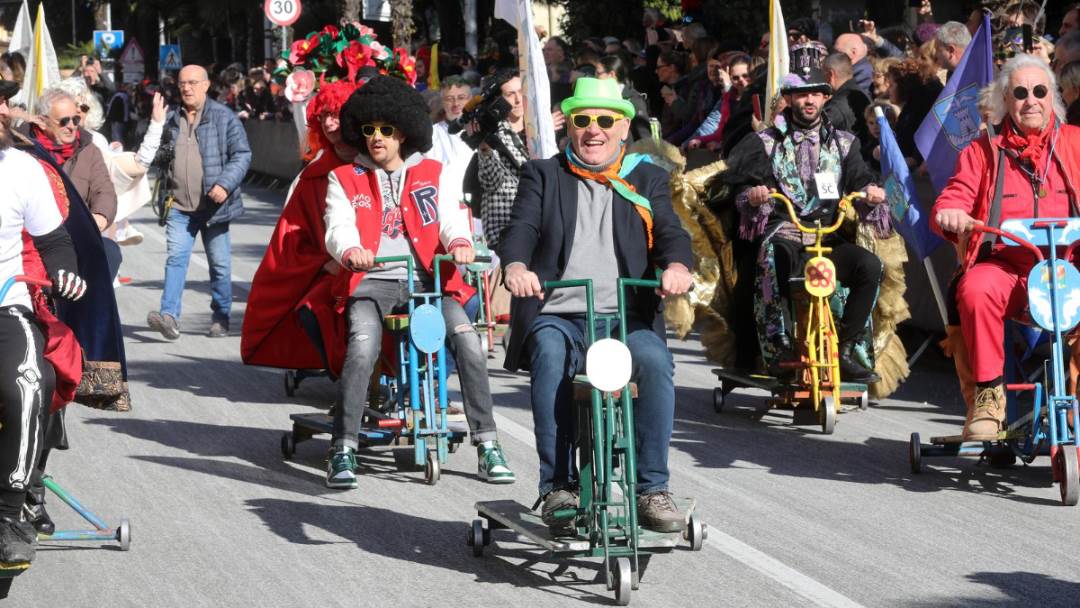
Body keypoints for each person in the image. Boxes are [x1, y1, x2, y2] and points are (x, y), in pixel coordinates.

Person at [500, 77, 694, 533]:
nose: (593, 130)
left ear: (624, 128)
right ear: (570, 125)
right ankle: (558, 486)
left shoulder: (646, 176)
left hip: (626, 318)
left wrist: (677, 267)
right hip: (559, 315)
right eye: (582, 120)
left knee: (654, 360)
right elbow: (522, 229)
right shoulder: (544, 174)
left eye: (605, 120)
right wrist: (515, 266)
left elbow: (670, 232)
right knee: (549, 355)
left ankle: (651, 488)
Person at [321, 76, 515, 489]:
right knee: (361, 348)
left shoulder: (434, 172)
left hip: (430, 282)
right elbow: (337, 227)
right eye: (369, 130)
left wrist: (460, 242)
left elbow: (450, 217)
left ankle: (487, 445)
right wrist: (350, 249)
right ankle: (343, 448)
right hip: (372, 282)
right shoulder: (344, 178)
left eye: (386, 130)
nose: (376, 138)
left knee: (469, 343)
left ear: (403, 131)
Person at [932, 55, 1079, 440]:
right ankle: (988, 396)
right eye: (1020, 92)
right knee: (975, 289)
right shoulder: (983, 151)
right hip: (1008, 269)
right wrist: (951, 212)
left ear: (1053, 98)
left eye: (1039, 91)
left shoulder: (1076, 142)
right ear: (1005, 102)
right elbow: (954, 196)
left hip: (1069, 268)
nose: (1030, 100)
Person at [723, 67, 889, 383]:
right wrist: (752, 195)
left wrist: (870, 192)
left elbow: (861, 179)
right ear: (788, 98)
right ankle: (779, 346)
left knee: (870, 266)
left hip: (826, 237)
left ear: (827, 97)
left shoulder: (844, 144)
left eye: (816, 93)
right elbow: (737, 189)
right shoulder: (764, 142)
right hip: (783, 234)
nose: (809, 100)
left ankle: (843, 348)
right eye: (802, 93)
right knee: (775, 256)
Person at [0, 107, 87, 565]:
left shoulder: (23, 168)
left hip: (6, 305)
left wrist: (66, 272)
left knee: (32, 383)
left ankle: (9, 515)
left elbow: (54, 242)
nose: (2, 108)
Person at [242, 79, 360, 374]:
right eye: (325, 116)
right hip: (330, 271)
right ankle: (345, 376)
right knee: (312, 310)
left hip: (380, 268)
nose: (331, 123)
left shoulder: (377, 162)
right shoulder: (313, 177)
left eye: (337, 114)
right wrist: (325, 262)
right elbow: (293, 236)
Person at [146, 64, 251, 340]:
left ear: (206, 85)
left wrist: (224, 184)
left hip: (214, 207)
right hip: (179, 206)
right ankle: (169, 317)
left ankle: (221, 316)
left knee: (219, 264)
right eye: (182, 83)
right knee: (176, 258)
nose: (186, 88)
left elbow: (242, 154)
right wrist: (155, 123)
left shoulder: (224, 117)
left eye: (193, 82)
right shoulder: (171, 118)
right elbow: (153, 157)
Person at [22, 90, 116, 235]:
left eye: (76, 120)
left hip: (76, 234)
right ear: (42, 122)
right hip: (31, 236)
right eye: (64, 121)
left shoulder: (88, 149)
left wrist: (100, 215)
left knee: (112, 254)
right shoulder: (21, 148)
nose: (71, 126)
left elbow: (104, 189)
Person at [476, 69, 529, 254]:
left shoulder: (541, 129)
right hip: (505, 225)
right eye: (510, 94)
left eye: (521, 92)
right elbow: (491, 182)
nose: (517, 99)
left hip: (537, 222)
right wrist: (484, 148)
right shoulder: (493, 133)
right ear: (498, 100)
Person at [823, 52, 872, 148]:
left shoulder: (836, 107)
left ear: (830, 75)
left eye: (822, 74)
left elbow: (816, 133)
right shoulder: (861, 93)